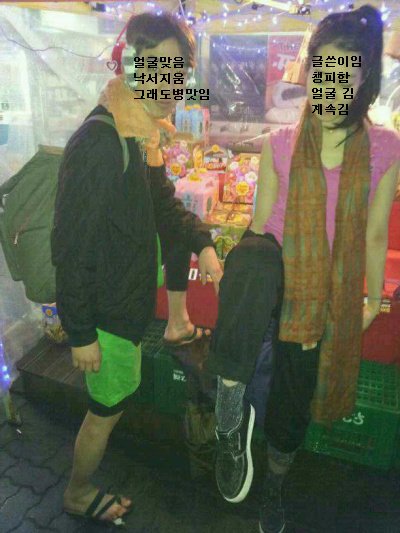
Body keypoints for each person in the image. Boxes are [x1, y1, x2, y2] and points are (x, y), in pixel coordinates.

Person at [207, 5, 400, 533]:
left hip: (322, 291)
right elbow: (260, 224)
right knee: (252, 258)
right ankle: (228, 409)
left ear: (364, 78)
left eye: (345, 70)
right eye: (323, 68)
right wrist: (240, 278)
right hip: (274, 270)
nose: (331, 81)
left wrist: (371, 298)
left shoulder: (385, 148)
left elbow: (375, 233)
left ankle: (274, 482)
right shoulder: (280, 142)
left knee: (292, 399)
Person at [52, 12, 222, 525]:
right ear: (131, 64)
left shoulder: (140, 134)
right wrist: (81, 333)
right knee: (104, 414)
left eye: (178, 71)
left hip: (124, 306)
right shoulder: (101, 142)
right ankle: (77, 493)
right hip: (104, 316)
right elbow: (70, 247)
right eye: (158, 67)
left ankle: (81, 483)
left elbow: (163, 204)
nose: (170, 84)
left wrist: (202, 243)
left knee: (115, 403)